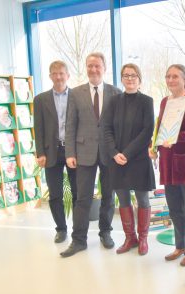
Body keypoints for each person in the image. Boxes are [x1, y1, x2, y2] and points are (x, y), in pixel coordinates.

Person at [62, 52, 122, 257]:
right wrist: (69, 152)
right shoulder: (76, 93)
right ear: (85, 68)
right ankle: (79, 240)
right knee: (82, 198)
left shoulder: (115, 92)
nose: (93, 70)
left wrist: (118, 151)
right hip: (83, 153)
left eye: (97, 66)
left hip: (109, 153)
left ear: (104, 68)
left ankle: (106, 232)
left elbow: (119, 126)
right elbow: (70, 125)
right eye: (90, 66)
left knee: (108, 196)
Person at [149, 64, 185, 266]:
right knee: (174, 208)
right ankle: (179, 245)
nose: (171, 80)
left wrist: (177, 137)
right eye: (168, 76)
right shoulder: (165, 101)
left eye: (175, 76)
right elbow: (160, 127)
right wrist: (153, 144)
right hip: (167, 161)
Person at [102, 63, 155, 256]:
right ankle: (129, 237)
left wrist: (127, 153)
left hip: (138, 159)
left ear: (140, 79)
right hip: (116, 160)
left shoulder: (147, 101)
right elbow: (106, 128)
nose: (130, 78)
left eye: (133, 75)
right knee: (123, 199)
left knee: (142, 199)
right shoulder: (114, 101)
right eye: (126, 75)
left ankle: (143, 239)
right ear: (122, 79)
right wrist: (115, 153)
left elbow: (147, 131)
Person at [34, 60, 77, 244]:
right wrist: (40, 153)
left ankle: (78, 229)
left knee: (77, 193)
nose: (58, 76)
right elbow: (39, 127)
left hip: (74, 151)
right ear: (50, 76)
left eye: (62, 73)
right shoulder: (40, 99)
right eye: (54, 73)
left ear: (68, 75)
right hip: (51, 152)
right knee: (55, 195)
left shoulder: (78, 96)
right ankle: (61, 229)